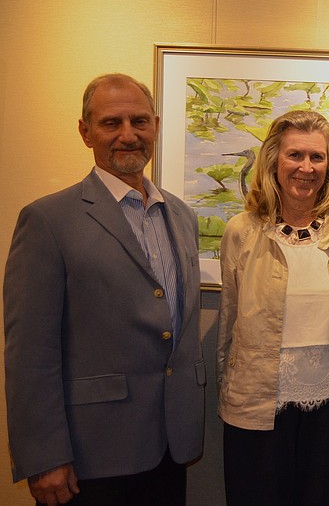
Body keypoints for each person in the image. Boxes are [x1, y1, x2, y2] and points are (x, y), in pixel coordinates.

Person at [4, 73, 205, 506]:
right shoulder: (47, 221)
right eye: (112, 123)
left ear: (154, 124)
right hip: (90, 454)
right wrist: (43, 456)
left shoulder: (182, 216)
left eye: (139, 122)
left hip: (172, 444)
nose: (128, 135)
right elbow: (29, 353)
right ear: (85, 132)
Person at [216, 109, 329, 505]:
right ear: (274, 160)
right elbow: (229, 321)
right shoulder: (241, 231)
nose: (306, 168)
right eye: (295, 156)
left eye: (317, 157)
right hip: (255, 401)